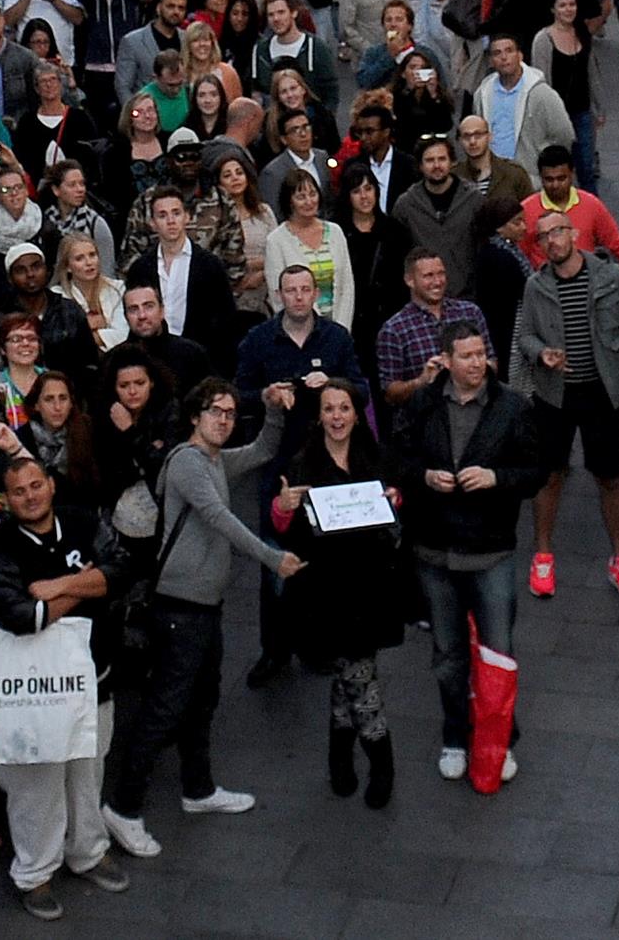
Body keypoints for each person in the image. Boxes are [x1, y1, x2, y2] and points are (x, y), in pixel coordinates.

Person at [96, 379, 292, 854]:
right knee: (164, 708)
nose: (223, 420)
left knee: (202, 699)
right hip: (180, 608)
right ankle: (122, 808)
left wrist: (273, 408)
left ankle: (199, 789)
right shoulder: (187, 462)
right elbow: (219, 517)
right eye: (214, 411)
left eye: (229, 412)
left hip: (206, 605)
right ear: (193, 417)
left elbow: (265, 448)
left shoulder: (217, 460)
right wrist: (273, 558)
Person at [0, 451, 131, 918]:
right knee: (35, 786)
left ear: (51, 485)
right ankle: (35, 872)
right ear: (6, 498)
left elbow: (122, 570)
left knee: (87, 773)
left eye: (36, 486)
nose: (30, 496)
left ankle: (88, 851)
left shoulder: (83, 521)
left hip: (94, 679)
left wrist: (59, 586)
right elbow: (22, 617)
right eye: (18, 491)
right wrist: (87, 585)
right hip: (30, 695)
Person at [386, 320, 539, 785]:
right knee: (448, 655)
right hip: (434, 551)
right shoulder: (423, 402)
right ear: (446, 360)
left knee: (497, 654)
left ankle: (499, 738)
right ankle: (454, 734)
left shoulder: (512, 406)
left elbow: (536, 470)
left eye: (481, 354)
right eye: (467, 356)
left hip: (490, 551)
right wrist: (424, 477)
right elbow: (395, 459)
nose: (477, 364)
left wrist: (497, 479)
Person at [512, 209, 619, 605]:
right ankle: (543, 555)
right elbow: (526, 335)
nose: (552, 241)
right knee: (550, 475)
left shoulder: (609, 277)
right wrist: (541, 354)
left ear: (573, 234)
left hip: (604, 392)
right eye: (543, 237)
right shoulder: (536, 286)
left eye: (557, 232)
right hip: (555, 394)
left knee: (610, 476)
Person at [263, 373, 410, 807]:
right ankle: (374, 759)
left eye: (344, 408)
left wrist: (396, 502)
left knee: (353, 674)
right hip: (324, 592)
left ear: (356, 414)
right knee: (357, 676)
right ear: (319, 415)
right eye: (329, 408)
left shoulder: (377, 459)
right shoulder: (302, 464)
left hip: (371, 588)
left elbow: (399, 519)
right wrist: (282, 509)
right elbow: (283, 530)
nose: (337, 416)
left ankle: (350, 757)